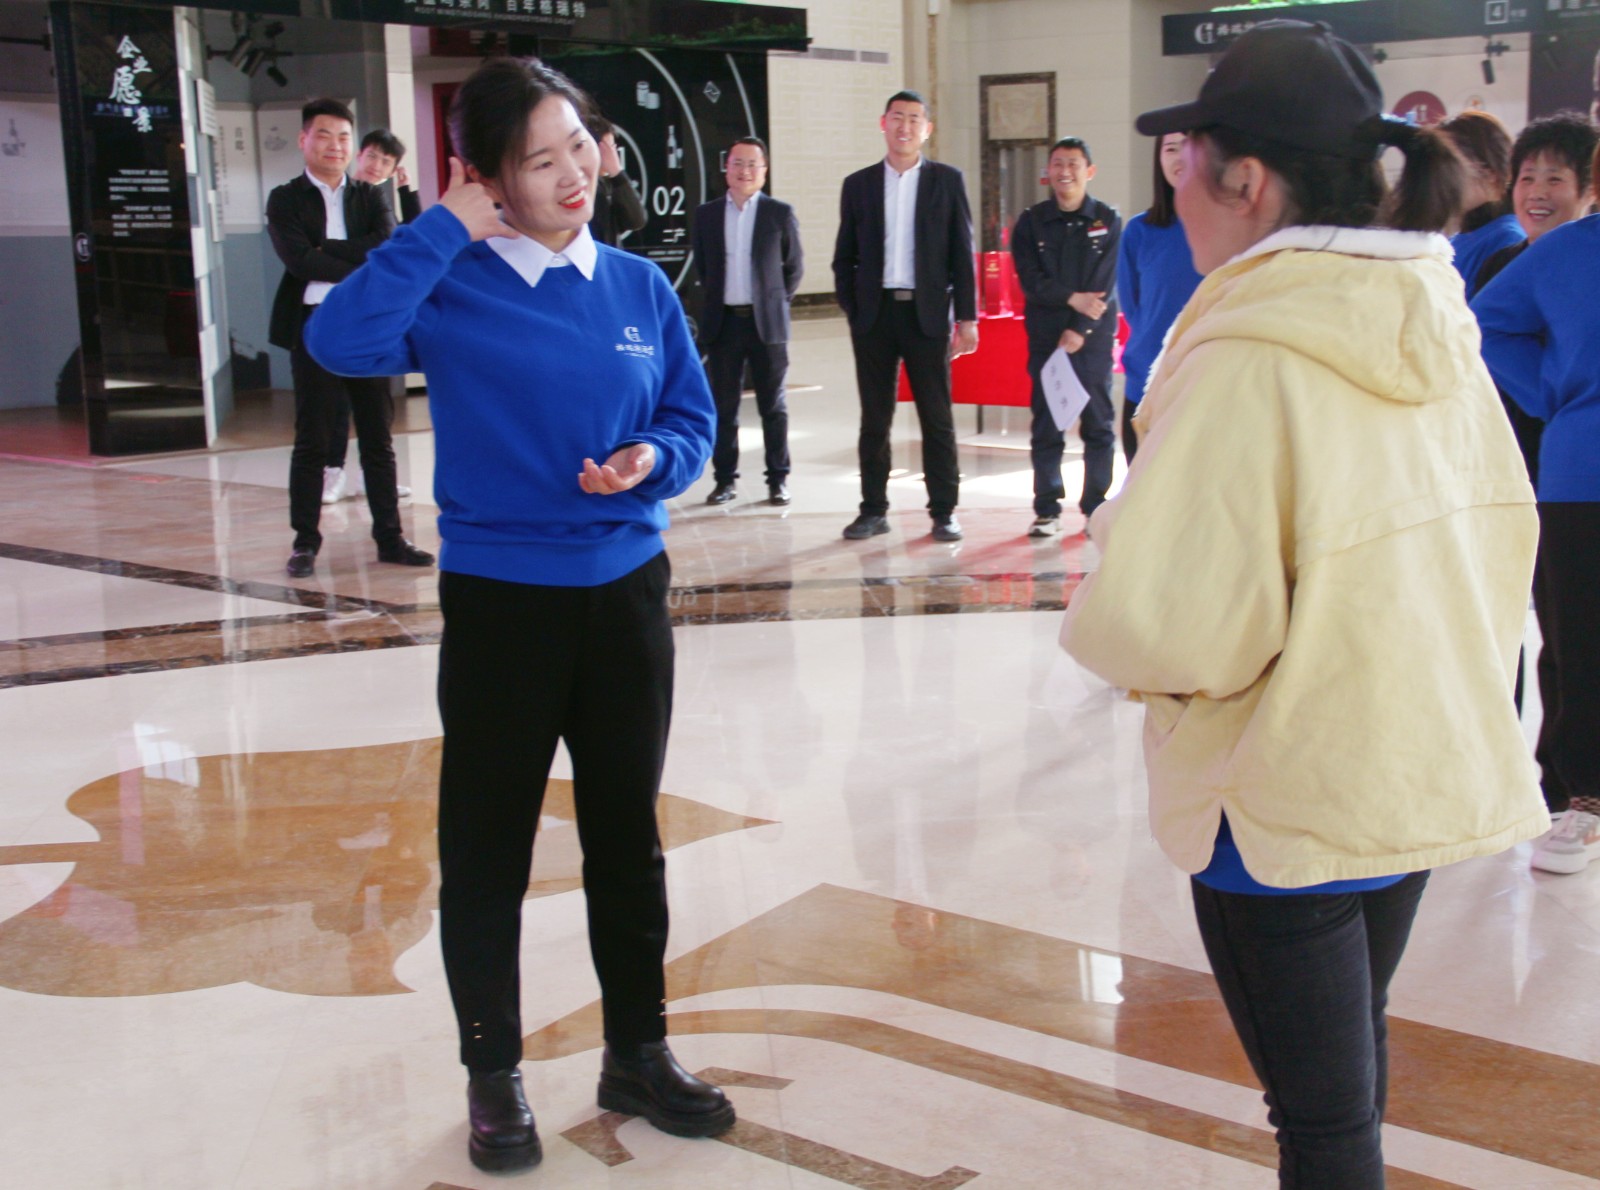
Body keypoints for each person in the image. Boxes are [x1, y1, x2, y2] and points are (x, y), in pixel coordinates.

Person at [1060, 21, 1546, 1187]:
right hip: (1407, 769)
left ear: (1247, 178)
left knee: (1323, 1128)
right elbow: (1498, 537)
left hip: (1279, 801)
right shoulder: (1432, 317)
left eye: (1187, 153)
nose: (1173, 180)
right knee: (1349, 1081)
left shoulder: (1247, 351)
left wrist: (1118, 577)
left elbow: (1172, 623)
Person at [303, 58, 729, 1172]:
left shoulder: (636, 285)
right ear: (488, 179)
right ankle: (492, 1071)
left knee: (626, 839)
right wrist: (442, 226)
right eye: (539, 161)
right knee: (486, 844)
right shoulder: (453, 281)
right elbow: (340, 341)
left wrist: (652, 459)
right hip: (503, 605)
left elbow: (692, 416)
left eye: (578, 145)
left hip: (626, 596)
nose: (572, 174)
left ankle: (637, 1049)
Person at [1473, 148, 1600, 875]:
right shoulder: (1566, 251)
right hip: (1583, 469)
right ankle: (1584, 797)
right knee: (1580, 637)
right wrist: (1553, 392)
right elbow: (1487, 324)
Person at [265, 98, 432, 578]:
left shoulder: (369, 197)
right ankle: (304, 543)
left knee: (378, 437)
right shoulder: (285, 198)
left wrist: (329, 249)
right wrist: (356, 263)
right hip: (312, 324)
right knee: (312, 439)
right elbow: (300, 261)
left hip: (367, 326)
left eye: (343, 137)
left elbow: (386, 246)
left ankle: (390, 538)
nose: (335, 145)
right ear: (304, 140)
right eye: (324, 135)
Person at [833, 90, 977, 542]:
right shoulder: (858, 185)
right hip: (874, 317)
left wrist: (967, 318)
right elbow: (844, 257)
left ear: (927, 129)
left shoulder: (947, 181)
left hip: (927, 315)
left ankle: (944, 511)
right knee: (875, 419)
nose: (905, 127)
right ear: (883, 123)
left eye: (915, 119)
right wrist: (855, 308)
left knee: (937, 417)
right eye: (898, 117)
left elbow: (962, 254)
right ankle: (873, 509)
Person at [1010, 136, 1121, 536]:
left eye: (1073, 164)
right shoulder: (1032, 222)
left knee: (1098, 425)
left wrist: (1080, 329)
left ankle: (1095, 507)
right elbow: (1031, 281)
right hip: (1047, 340)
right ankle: (1047, 508)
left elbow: (1106, 283)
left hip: (1092, 341)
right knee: (1047, 423)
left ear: (1089, 171)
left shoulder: (1107, 220)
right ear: (1048, 172)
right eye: (1058, 163)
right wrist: (1072, 300)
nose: (1065, 171)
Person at [692, 136, 803, 507]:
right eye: (737, 163)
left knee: (773, 406)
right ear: (727, 168)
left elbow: (793, 268)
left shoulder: (779, 213)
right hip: (724, 323)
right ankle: (725, 480)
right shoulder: (707, 215)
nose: (745, 171)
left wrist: (773, 302)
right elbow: (704, 268)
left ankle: (778, 480)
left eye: (753, 164)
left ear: (764, 171)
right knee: (724, 407)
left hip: (767, 325)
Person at [318, 128, 424, 507]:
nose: (377, 165)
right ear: (360, 155)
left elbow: (402, 237)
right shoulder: (337, 197)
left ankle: (373, 476)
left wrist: (407, 191)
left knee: (377, 403)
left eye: (387, 160)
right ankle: (332, 472)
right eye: (373, 156)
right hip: (334, 307)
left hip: (374, 312)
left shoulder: (382, 202)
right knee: (335, 400)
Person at [1116, 132, 1203, 466]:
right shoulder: (1140, 231)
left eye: (1189, 148)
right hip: (1146, 381)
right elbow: (1133, 307)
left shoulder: (1230, 229)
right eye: (1170, 149)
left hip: (1205, 379)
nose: (1179, 157)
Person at [1440, 109, 1522, 298]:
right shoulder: (1457, 240)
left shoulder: (1507, 241)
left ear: (1491, 174)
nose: (1436, 177)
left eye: (1448, 165)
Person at [587, 113, 647, 248]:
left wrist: (617, 173)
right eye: (609, 150)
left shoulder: (609, 183)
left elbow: (636, 220)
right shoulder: (587, 187)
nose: (613, 156)